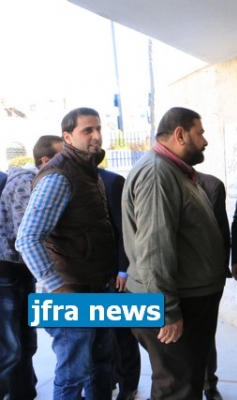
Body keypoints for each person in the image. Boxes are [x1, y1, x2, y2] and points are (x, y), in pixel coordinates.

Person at [122, 107, 226, 399]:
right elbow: (154, 248)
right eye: (200, 133)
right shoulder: (158, 174)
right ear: (180, 134)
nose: (205, 141)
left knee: (181, 382)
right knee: (177, 388)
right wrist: (167, 311)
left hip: (186, 299)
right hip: (174, 302)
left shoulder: (172, 171)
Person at [16, 108, 116, 400]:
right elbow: (27, 238)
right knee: (73, 375)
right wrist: (58, 288)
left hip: (95, 287)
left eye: (98, 129)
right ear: (68, 137)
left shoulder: (87, 170)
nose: (96, 136)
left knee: (100, 366)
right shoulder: (60, 175)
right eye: (87, 130)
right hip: (72, 292)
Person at [0, 135, 63, 400]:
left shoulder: (37, 181)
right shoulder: (25, 183)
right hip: (8, 274)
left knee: (25, 344)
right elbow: (26, 236)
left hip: (20, 274)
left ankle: (24, 392)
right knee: (11, 349)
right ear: (45, 160)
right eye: (62, 157)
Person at [98, 168, 141, 400]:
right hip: (91, 277)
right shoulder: (69, 179)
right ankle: (110, 379)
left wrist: (123, 269)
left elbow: (125, 230)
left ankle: (128, 386)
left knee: (123, 335)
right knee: (103, 336)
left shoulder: (112, 182)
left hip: (116, 276)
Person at [196, 170, 231, 400]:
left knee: (205, 334)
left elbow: (221, 234)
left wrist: (218, 274)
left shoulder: (210, 185)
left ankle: (208, 384)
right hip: (167, 275)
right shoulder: (153, 180)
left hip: (204, 277)